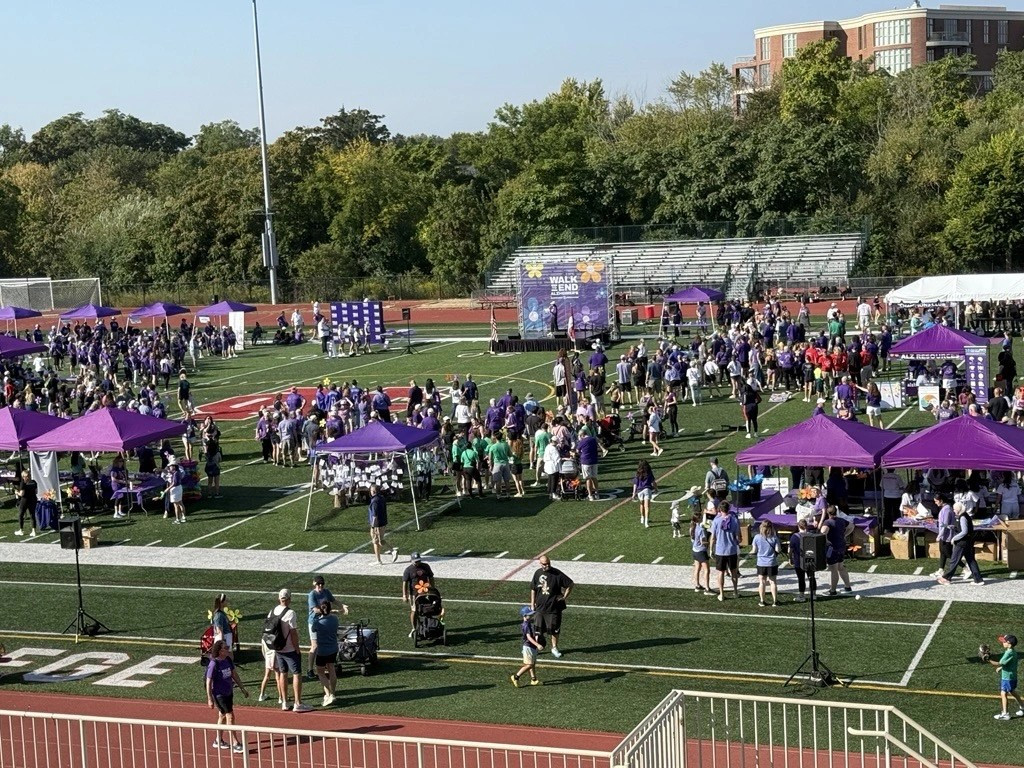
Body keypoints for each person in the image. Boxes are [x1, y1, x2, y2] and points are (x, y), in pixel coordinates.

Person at [266, 588, 312, 712]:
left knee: (283, 673)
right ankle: (298, 703)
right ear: (289, 599)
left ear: (279, 598)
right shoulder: (291, 613)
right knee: (297, 674)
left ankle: (285, 702)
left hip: (278, 648)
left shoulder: (272, 611)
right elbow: (293, 633)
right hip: (290, 649)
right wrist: (297, 648)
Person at [206, 639, 248, 753]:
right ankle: (235, 743)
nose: (228, 649)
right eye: (226, 648)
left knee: (222, 716)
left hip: (228, 692)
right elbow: (208, 682)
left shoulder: (228, 659)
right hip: (219, 694)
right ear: (220, 651)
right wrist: (210, 699)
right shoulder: (214, 664)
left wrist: (242, 688)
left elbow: (234, 674)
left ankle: (218, 740)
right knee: (230, 716)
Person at [530, 556, 573, 658]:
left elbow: (570, 584)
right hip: (540, 607)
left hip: (553, 608)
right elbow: (533, 589)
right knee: (538, 629)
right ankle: (537, 647)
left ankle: (554, 647)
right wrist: (532, 603)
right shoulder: (537, 573)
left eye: (548, 563)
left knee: (554, 630)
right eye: (544, 564)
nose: (547, 565)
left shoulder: (557, 573)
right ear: (540, 564)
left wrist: (564, 597)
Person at [937, 501, 984, 586]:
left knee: (954, 560)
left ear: (958, 509)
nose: (953, 511)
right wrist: (951, 527)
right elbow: (962, 528)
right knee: (971, 560)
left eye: (954, 509)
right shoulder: (965, 516)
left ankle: (946, 578)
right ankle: (978, 580)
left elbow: (964, 531)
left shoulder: (962, 517)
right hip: (968, 542)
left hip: (962, 543)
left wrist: (954, 538)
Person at [311, 601, 341, 707]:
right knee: (331, 669)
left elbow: (313, 629)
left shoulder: (318, 622)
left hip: (322, 651)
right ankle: (333, 693)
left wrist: (316, 616)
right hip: (333, 648)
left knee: (320, 672)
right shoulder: (335, 619)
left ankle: (327, 694)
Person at [709, 501, 740, 601]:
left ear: (720, 509)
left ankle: (721, 594)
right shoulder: (734, 520)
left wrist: (711, 549)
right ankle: (735, 591)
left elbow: (713, 537)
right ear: (729, 509)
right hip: (732, 550)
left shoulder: (716, 521)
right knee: (734, 572)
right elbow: (738, 537)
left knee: (720, 573)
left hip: (720, 550)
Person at [989, 634, 1024, 720]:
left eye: (1004, 642)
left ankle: (1005, 714)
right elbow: (1009, 663)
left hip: (1007, 677)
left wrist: (988, 659)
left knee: (1003, 693)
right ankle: (1023, 707)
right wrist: (1001, 668)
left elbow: (999, 663)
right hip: (1012, 676)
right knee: (1012, 691)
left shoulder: (1008, 653)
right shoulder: (1013, 652)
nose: (1002, 643)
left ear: (1009, 643)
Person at [819, 506, 853, 595]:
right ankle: (848, 587)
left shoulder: (828, 522)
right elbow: (851, 526)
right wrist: (845, 534)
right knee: (841, 567)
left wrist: (826, 540)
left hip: (832, 548)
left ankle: (833, 590)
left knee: (833, 569)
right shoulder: (841, 520)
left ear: (828, 513)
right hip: (841, 546)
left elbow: (823, 531)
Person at [306, 576, 334, 678]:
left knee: (324, 644)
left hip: (324, 621)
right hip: (314, 622)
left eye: (322, 584)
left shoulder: (326, 592)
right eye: (318, 584)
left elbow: (334, 600)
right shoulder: (312, 594)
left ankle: (324, 666)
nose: (320, 585)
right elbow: (315, 609)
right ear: (314, 583)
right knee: (315, 646)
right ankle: (310, 669)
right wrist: (328, 611)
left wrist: (342, 606)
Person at [402, 552, 435, 638]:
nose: (418, 563)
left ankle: (429, 626)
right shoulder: (408, 570)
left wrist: (433, 589)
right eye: (416, 561)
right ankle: (414, 628)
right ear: (411, 560)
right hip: (414, 594)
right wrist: (405, 595)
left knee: (428, 609)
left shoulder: (426, 566)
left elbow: (431, 578)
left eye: (419, 561)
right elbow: (405, 583)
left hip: (426, 592)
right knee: (414, 611)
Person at [510, 606, 543, 687]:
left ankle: (533, 679)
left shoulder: (528, 623)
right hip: (528, 646)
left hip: (531, 646)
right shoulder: (526, 625)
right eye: (529, 615)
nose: (531, 616)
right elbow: (529, 637)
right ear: (524, 615)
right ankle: (516, 677)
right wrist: (537, 644)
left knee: (532, 663)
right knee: (529, 665)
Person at [751, 520, 781, 607]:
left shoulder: (757, 537)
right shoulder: (774, 538)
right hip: (772, 562)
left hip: (761, 563)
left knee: (762, 582)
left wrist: (750, 553)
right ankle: (775, 601)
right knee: (773, 582)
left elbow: (754, 550)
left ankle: (762, 601)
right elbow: (778, 550)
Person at [368, 484, 399, 565]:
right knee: (380, 541)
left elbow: (374, 515)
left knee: (375, 542)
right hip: (383, 522)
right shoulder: (382, 498)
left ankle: (378, 560)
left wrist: (373, 526)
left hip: (377, 524)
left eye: (371, 490)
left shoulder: (374, 501)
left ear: (373, 491)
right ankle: (392, 550)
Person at [631, 460, 657, 528]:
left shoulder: (638, 473)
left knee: (641, 504)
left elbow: (635, 484)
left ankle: (642, 517)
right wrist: (656, 489)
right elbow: (653, 482)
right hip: (647, 490)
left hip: (639, 491)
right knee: (647, 507)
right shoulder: (649, 472)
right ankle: (646, 522)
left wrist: (634, 493)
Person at [689, 511, 710, 593]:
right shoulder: (700, 529)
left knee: (697, 568)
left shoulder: (692, 528)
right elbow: (703, 542)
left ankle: (697, 585)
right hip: (701, 551)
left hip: (695, 550)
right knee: (706, 570)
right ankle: (707, 588)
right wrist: (710, 542)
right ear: (699, 519)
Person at [14, 469, 38, 537]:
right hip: (33, 499)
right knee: (32, 515)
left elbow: (22, 494)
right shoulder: (34, 482)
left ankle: (21, 530)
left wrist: (16, 492)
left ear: (23, 477)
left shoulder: (23, 483)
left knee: (21, 515)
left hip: (25, 500)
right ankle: (34, 531)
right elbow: (36, 492)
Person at [789, 519, 809, 602]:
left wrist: (790, 558)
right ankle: (814, 594)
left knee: (801, 578)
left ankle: (802, 595)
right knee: (811, 577)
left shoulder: (794, 537)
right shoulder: (811, 535)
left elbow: (790, 550)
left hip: (798, 560)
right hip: (810, 560)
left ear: (798, 526)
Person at [210, 593, 233, 658]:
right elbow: (219, 631)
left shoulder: (221, 613)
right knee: (226, 655)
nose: (227, 601)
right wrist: (222, 644)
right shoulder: (218, 616)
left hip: (226, 637)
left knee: (229, 655)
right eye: (225, 600)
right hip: (224, 638)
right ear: (221, 602)